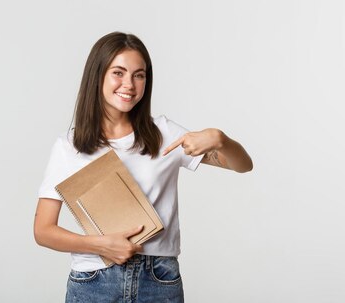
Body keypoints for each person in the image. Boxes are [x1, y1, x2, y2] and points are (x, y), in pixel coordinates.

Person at [33, 31, 253, 302]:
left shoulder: (164, 134)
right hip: (94, 280)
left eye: (139, 75)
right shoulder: (69, 146)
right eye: (118, 72)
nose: (129, 84)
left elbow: (243, 165)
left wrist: (221, 139)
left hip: (159, 278)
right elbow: (43, 230)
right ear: (97, 75)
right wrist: (100, 244)